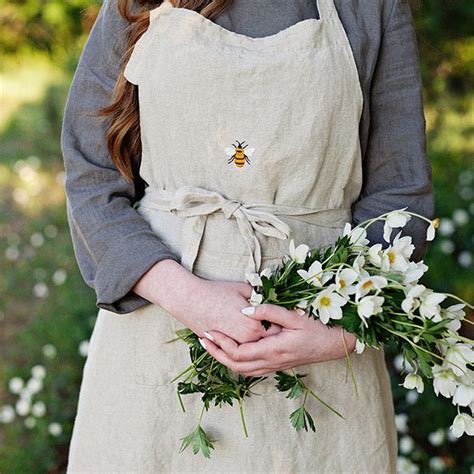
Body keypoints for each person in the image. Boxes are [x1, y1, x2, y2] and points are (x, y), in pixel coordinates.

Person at [61, 0, 434, 472]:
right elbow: (91, 174)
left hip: (321, 360)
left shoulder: (372, 7)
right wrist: (186, 295)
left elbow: (400, 193)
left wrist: (340, 333)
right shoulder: (140, 4)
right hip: (155, 336)